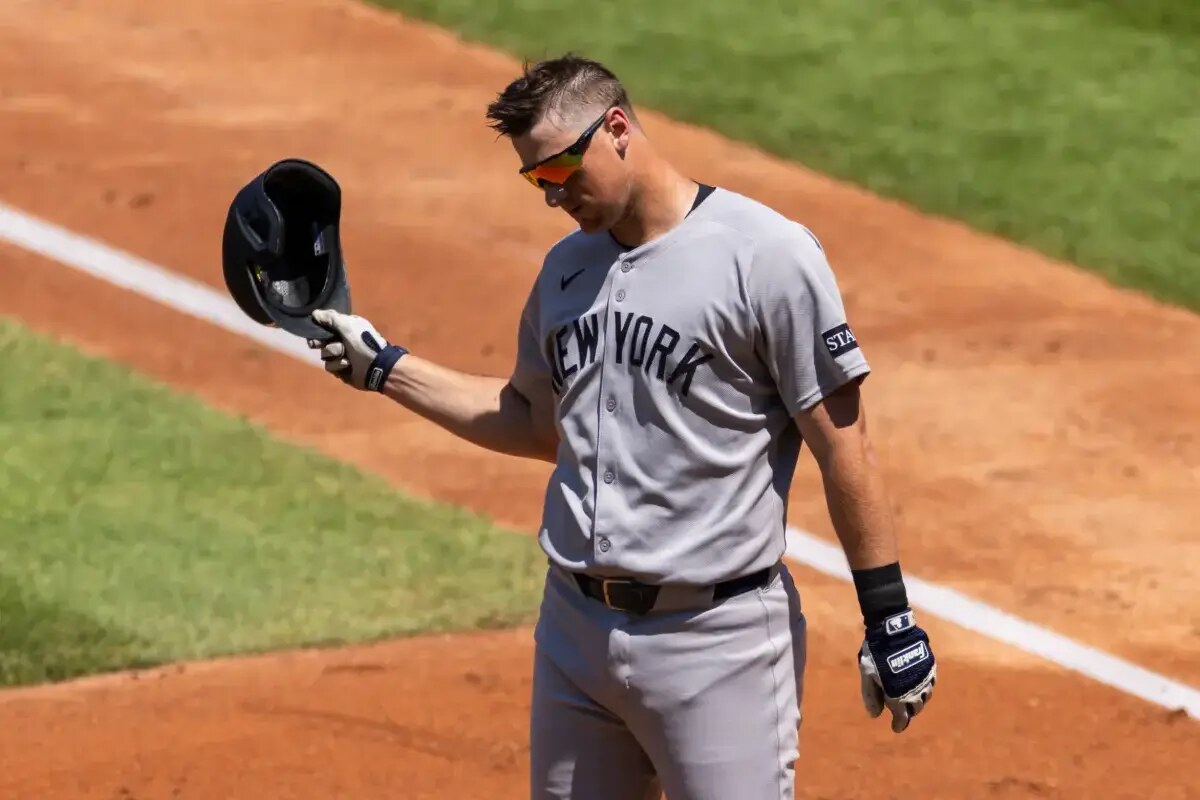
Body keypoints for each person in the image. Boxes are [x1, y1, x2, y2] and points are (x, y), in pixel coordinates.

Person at [307, 53, 936, 800]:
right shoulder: (566, 272)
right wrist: (386, 367)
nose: (552, 196)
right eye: (535, 180)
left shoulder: (765, 256)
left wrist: (889, 617)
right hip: (575, 635)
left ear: (617, 128)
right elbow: (535, 421)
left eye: (561, 171)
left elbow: (844, 444)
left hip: (718, 645)